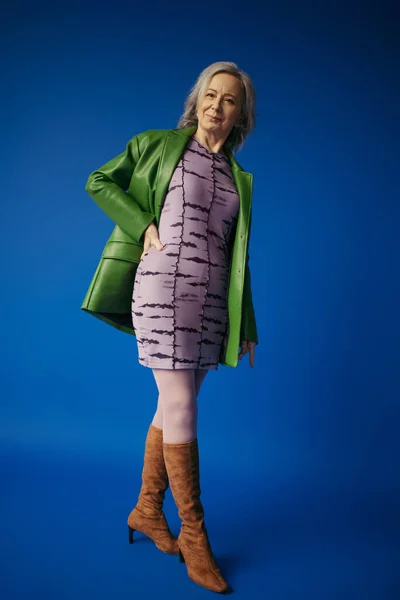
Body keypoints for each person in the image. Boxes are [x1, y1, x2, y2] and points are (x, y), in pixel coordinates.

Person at [83, 61, 258, 594]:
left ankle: (147, 511)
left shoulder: (237, 178)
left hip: (211, 302)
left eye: (229, 100)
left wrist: (246, 321)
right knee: (182, 405)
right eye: (210, 94)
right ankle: (195, 539)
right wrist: (144, 225)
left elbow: (239, 256)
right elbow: (99, 180)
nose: (217, 106)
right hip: (163, 286)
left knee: (171, 406)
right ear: (197, 99)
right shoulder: (159, 145)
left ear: (239, 114)